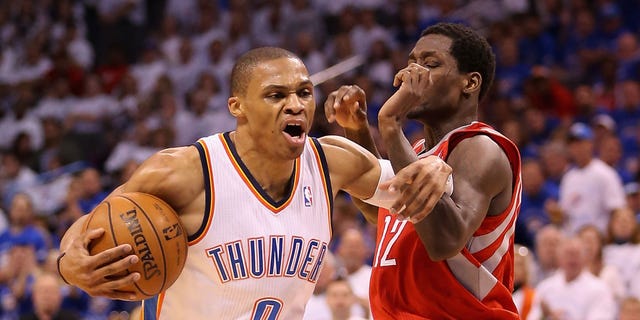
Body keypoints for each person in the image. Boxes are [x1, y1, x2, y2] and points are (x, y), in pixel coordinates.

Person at [56, 47, 452, 319]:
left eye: (304, 92)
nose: (295, 104)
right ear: (237, 107)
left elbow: (410, 190)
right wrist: (69, 263)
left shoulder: (332, 161)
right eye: (275, 95)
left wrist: (437, 167)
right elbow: (93, 224)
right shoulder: (186, 171)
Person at [326, 22, 522, 318]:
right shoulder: (416, 152)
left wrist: (391, 124)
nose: (411, 75)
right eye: (411, 63)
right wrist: (357, 128)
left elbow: (444, 240)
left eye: (430, 64)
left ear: (469, 83)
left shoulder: (481, 147)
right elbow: (382, 215)